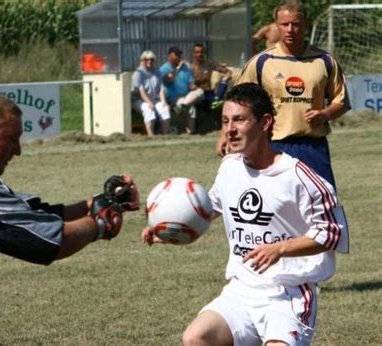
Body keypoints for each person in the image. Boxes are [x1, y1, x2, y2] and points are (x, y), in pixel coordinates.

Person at [0, 91, 140, 345]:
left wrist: (99, 202)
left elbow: (33, 213)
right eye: (12, 139)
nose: (17, 150)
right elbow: (45, 242)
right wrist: (100, 224)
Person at [142, 83, 349, 346]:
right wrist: (169, 228)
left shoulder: (299, 177)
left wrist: (280, 249)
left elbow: (332, 233)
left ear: (265, 123)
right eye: (226, 121)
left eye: (239, 120)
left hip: (288, 295)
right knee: (196, 338)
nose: (230, 129)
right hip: (241, 290)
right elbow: (210, 207)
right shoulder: (230, 167)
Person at [217, 0, 351, 188]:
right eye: (284, 24)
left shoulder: (325, 61)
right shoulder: (262, 62)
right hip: (273, 145)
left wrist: (325, 114)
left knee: (321, 206)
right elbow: (237, 102)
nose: (290, 29)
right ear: (276, 26)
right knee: (275, 208)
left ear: (305, 25)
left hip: (313, 145)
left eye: (295, 24)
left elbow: (342, 101)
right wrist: (224, 135)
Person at [160, 46, 204, 134]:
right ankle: (191, 132)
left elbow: (190, 82)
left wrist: (193, 86)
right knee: (191, 108)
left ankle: (181, 107)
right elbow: (168, 81)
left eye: (179, 54)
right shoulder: (164, 69)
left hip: (186, 96)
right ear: (169, 56)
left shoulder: (185, 68)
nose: (178, 56)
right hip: (174, 98)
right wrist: (178, 68)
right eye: (176, 54)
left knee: (200, 91)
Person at [131, 50, 170, 136]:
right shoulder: (138, 73)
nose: (149, 61)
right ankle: (151, 136)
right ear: (142, 60)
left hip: (153, 99)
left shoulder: (157, 72)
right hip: (138, 100)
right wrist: (148, 102)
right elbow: (140, 91)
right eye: (146, 59)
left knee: (165, 109)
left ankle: (165, 135)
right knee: (148, 110)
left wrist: (163, 101)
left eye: (152, 59)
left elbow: (161, 88)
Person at [190, 42, 232, 111]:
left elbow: (225, 70)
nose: (200, 54)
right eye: (197, 52)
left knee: (224, 80)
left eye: (201, 52)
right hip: (199, 95)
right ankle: (216, 102)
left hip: (209, 93)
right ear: (193, 54)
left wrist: (227, 75)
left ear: (204, 53)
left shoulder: (209, 64)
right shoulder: (191, 68)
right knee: (215, 102)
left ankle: (216, 101)